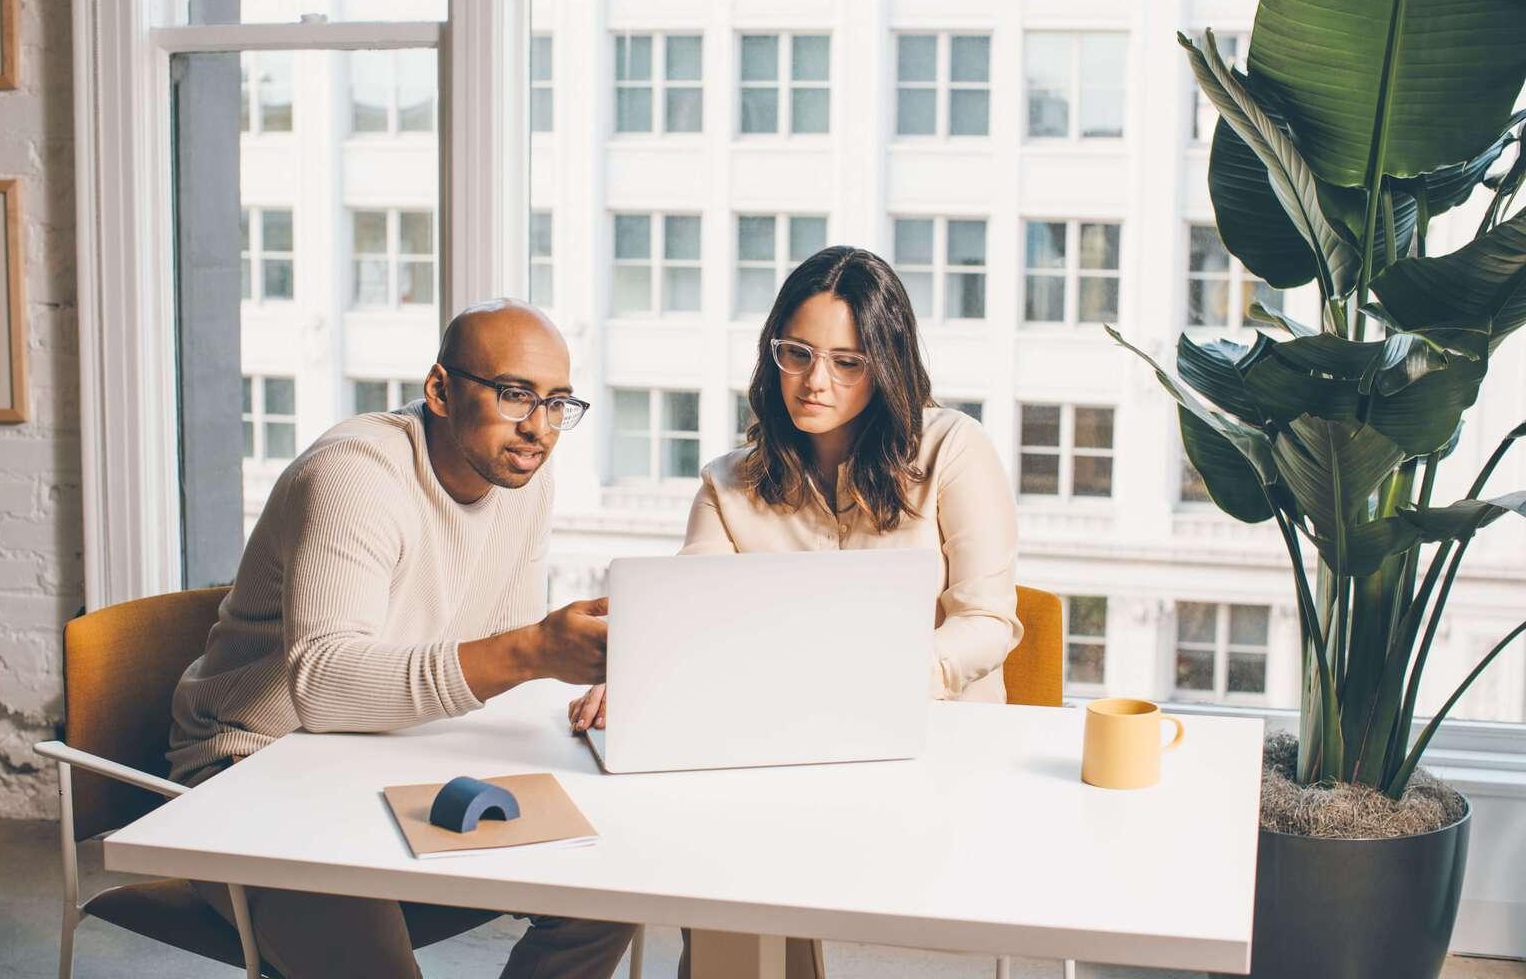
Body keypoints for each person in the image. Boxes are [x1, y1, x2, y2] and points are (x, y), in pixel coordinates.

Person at [567, 246, 1021, 978]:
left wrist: (894, 678)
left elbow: (989, 620)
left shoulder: (953, 451)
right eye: (798, 353)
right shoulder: (729, 485)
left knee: (739, 867)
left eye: (849, 361)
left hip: (927, 750)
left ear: (887, 364)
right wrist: (641, 677)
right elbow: (688, 623)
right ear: (771, 353)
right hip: (771, 752)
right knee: (711, 873)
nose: (816, 382)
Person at [169, 300, 635, 979]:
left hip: (402, 758)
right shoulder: (356, 473)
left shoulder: (521, 475)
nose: (538, 427)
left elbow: (494, 655)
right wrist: (534, 651)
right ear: (440, 390)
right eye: (514, 395)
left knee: (611, 889)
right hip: (250, 774)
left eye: (557, 402)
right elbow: (322, 688)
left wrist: (585, 671)